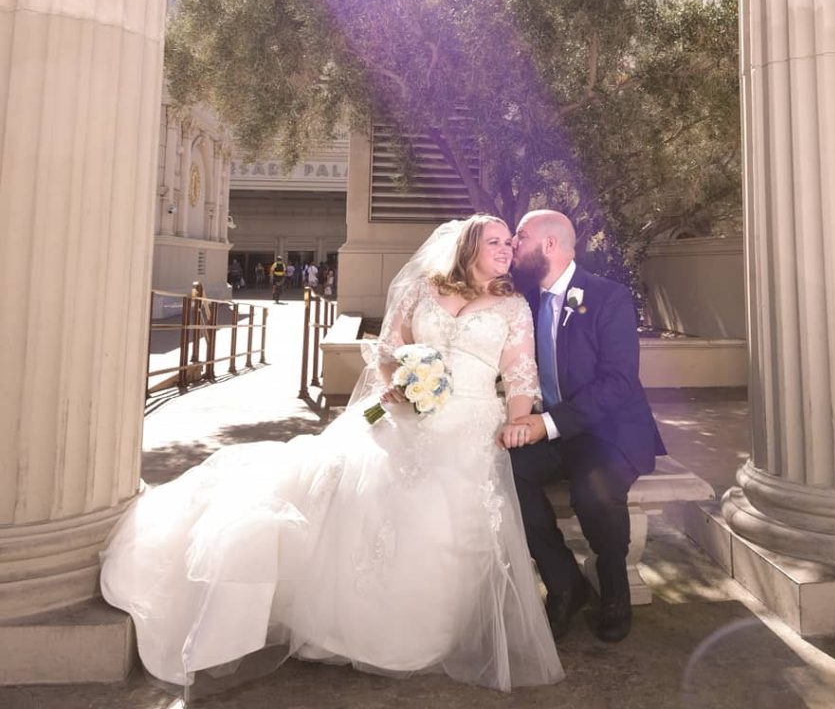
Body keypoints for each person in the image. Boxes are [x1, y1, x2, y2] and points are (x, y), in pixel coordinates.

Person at [100, 216, 564, 696]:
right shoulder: (423, 289)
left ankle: (424, 632)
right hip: (399, 415)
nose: (507, 248)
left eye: (509, 242)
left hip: (471, 426)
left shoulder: (512, 306)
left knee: (440, 517)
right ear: (467, 246)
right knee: (348, 482)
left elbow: (521, 373)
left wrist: (516, 422)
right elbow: (388, 350)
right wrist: (398, 385)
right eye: (495, 241)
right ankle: (343, 622)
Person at [508, 210, 666, 643]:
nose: (513, 245)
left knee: (593, 489)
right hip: (559, 431)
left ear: (551, 246)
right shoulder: (528, 299)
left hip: (609, 432)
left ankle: (614, 590)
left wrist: (547, 423)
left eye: (520, 237)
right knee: (507, 472)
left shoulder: (606, 297)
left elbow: (618, 383)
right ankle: (565, 583)